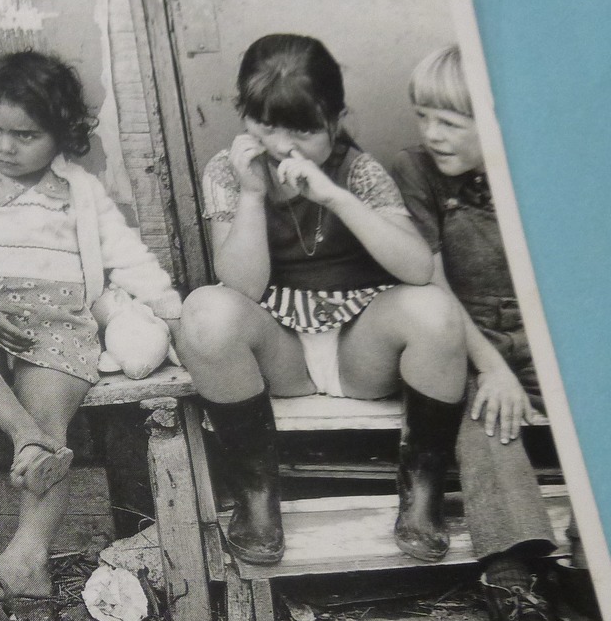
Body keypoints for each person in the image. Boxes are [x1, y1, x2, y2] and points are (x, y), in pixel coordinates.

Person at [172, 33, 470, 566]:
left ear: (336, 119)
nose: (284, 146)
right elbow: (242, 289)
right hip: (281, 348)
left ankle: (423, 495)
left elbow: (418, 268)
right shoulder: (228, 171)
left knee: (437, 312)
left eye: (304, 130)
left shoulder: (357, 169)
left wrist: (334, 196)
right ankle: (259, 498)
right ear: (244, 114)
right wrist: (254, 195)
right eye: (266, 126)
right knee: (204, 311)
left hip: (361, 345)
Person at [0, 50, 182, 621]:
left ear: (62, 134)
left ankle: (26, 560)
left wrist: (173, 312)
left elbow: (126, 257)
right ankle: (22, 436)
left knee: (54, 423)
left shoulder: (79, 190)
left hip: (56, 322)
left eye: (25, 135)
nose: (5, 146)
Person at [390, 44, 602, 621]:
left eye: (451, 121)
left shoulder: (546, 173)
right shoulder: (416, 171)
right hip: (468, 337)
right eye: (424, 115)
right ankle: (513, 589)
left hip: (548, 334)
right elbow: (431, 284)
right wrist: (498, 368)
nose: (432, 133)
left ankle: (589, 573)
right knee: (488, 419)